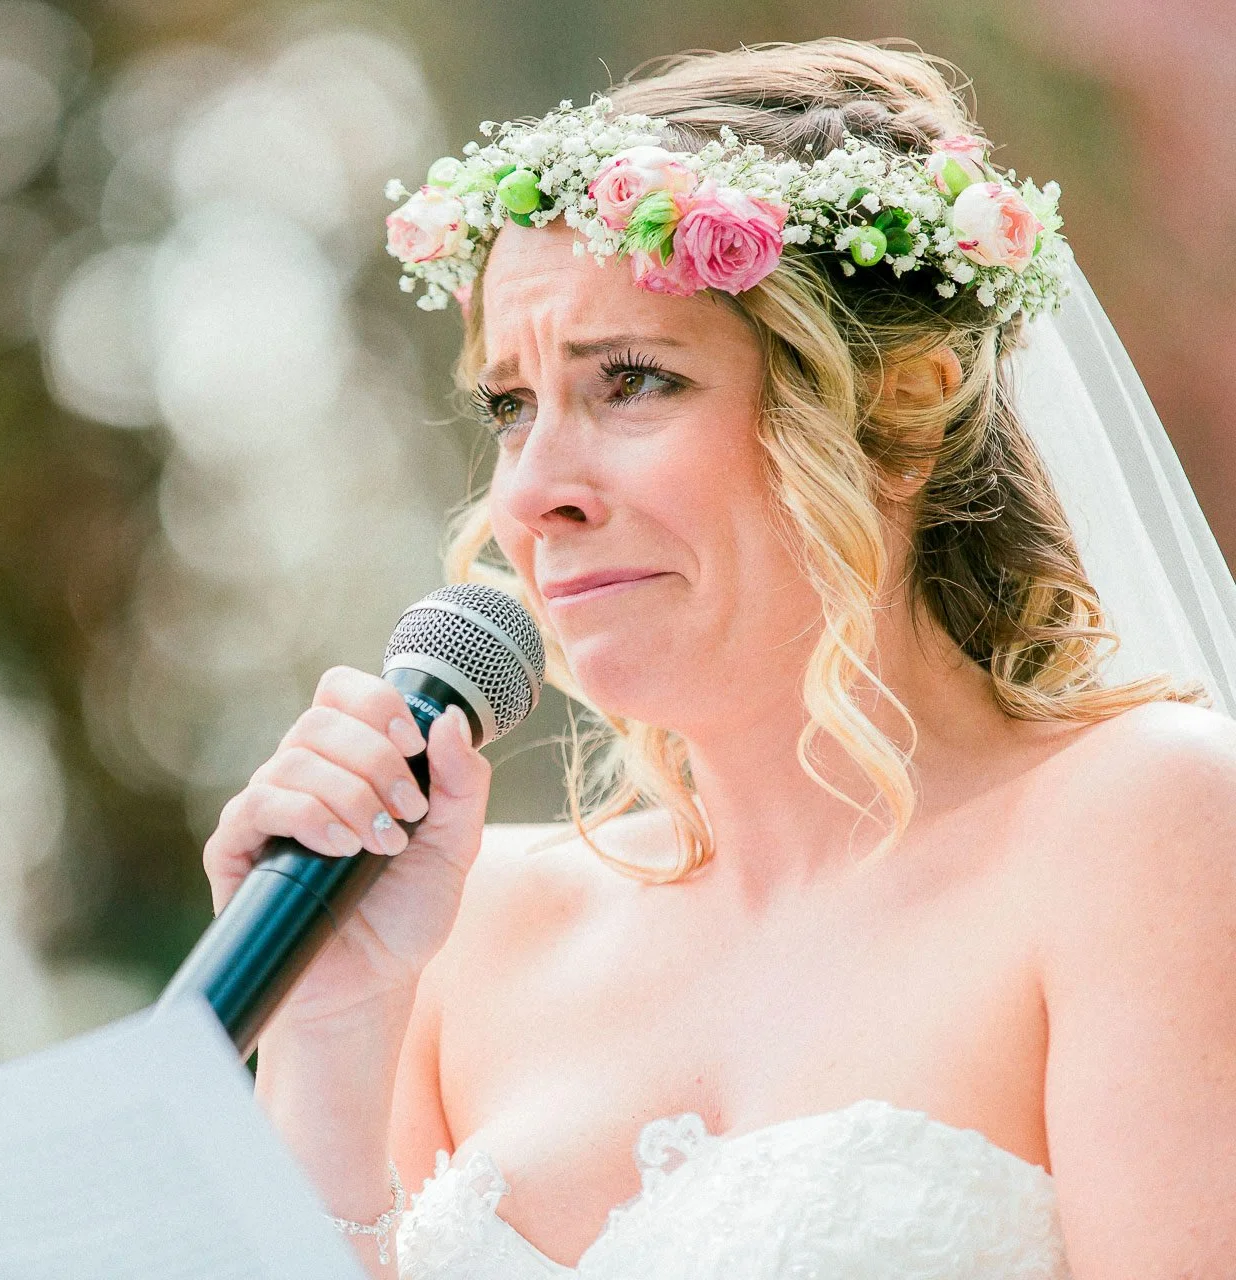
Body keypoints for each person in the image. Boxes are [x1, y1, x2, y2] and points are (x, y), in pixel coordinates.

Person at [198, 38, 1236, 1280]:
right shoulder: (460, 932)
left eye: (631, 380)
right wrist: (328, 1035)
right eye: (510, 404)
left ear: (901, 406)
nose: (532, 495)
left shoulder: (1146, 826)